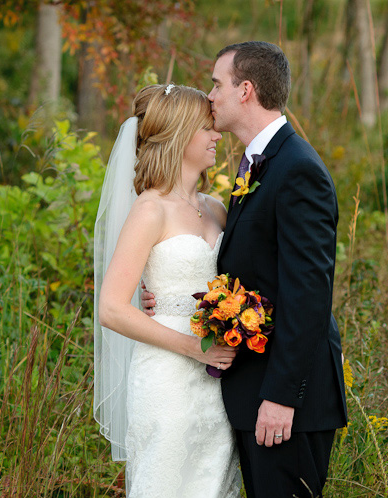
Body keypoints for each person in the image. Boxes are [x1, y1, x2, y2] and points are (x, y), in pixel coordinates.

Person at [142, 42, 348, 497]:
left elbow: (309, 294)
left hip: (288, 402)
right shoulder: (256, 163)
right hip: (250, 392)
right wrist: (165, 291)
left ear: (246, 91)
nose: (210, 95)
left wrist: (280, 396)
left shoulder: (297, 170)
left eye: (217, 84)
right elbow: (245, 269)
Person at [93, 84, 241, 497]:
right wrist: (195, 348)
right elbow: (112, 309)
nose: (217, 136)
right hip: (168, 378)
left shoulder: (216, 208)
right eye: (206, 128)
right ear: (179, 134)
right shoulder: (149, 209)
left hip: (217, 380)